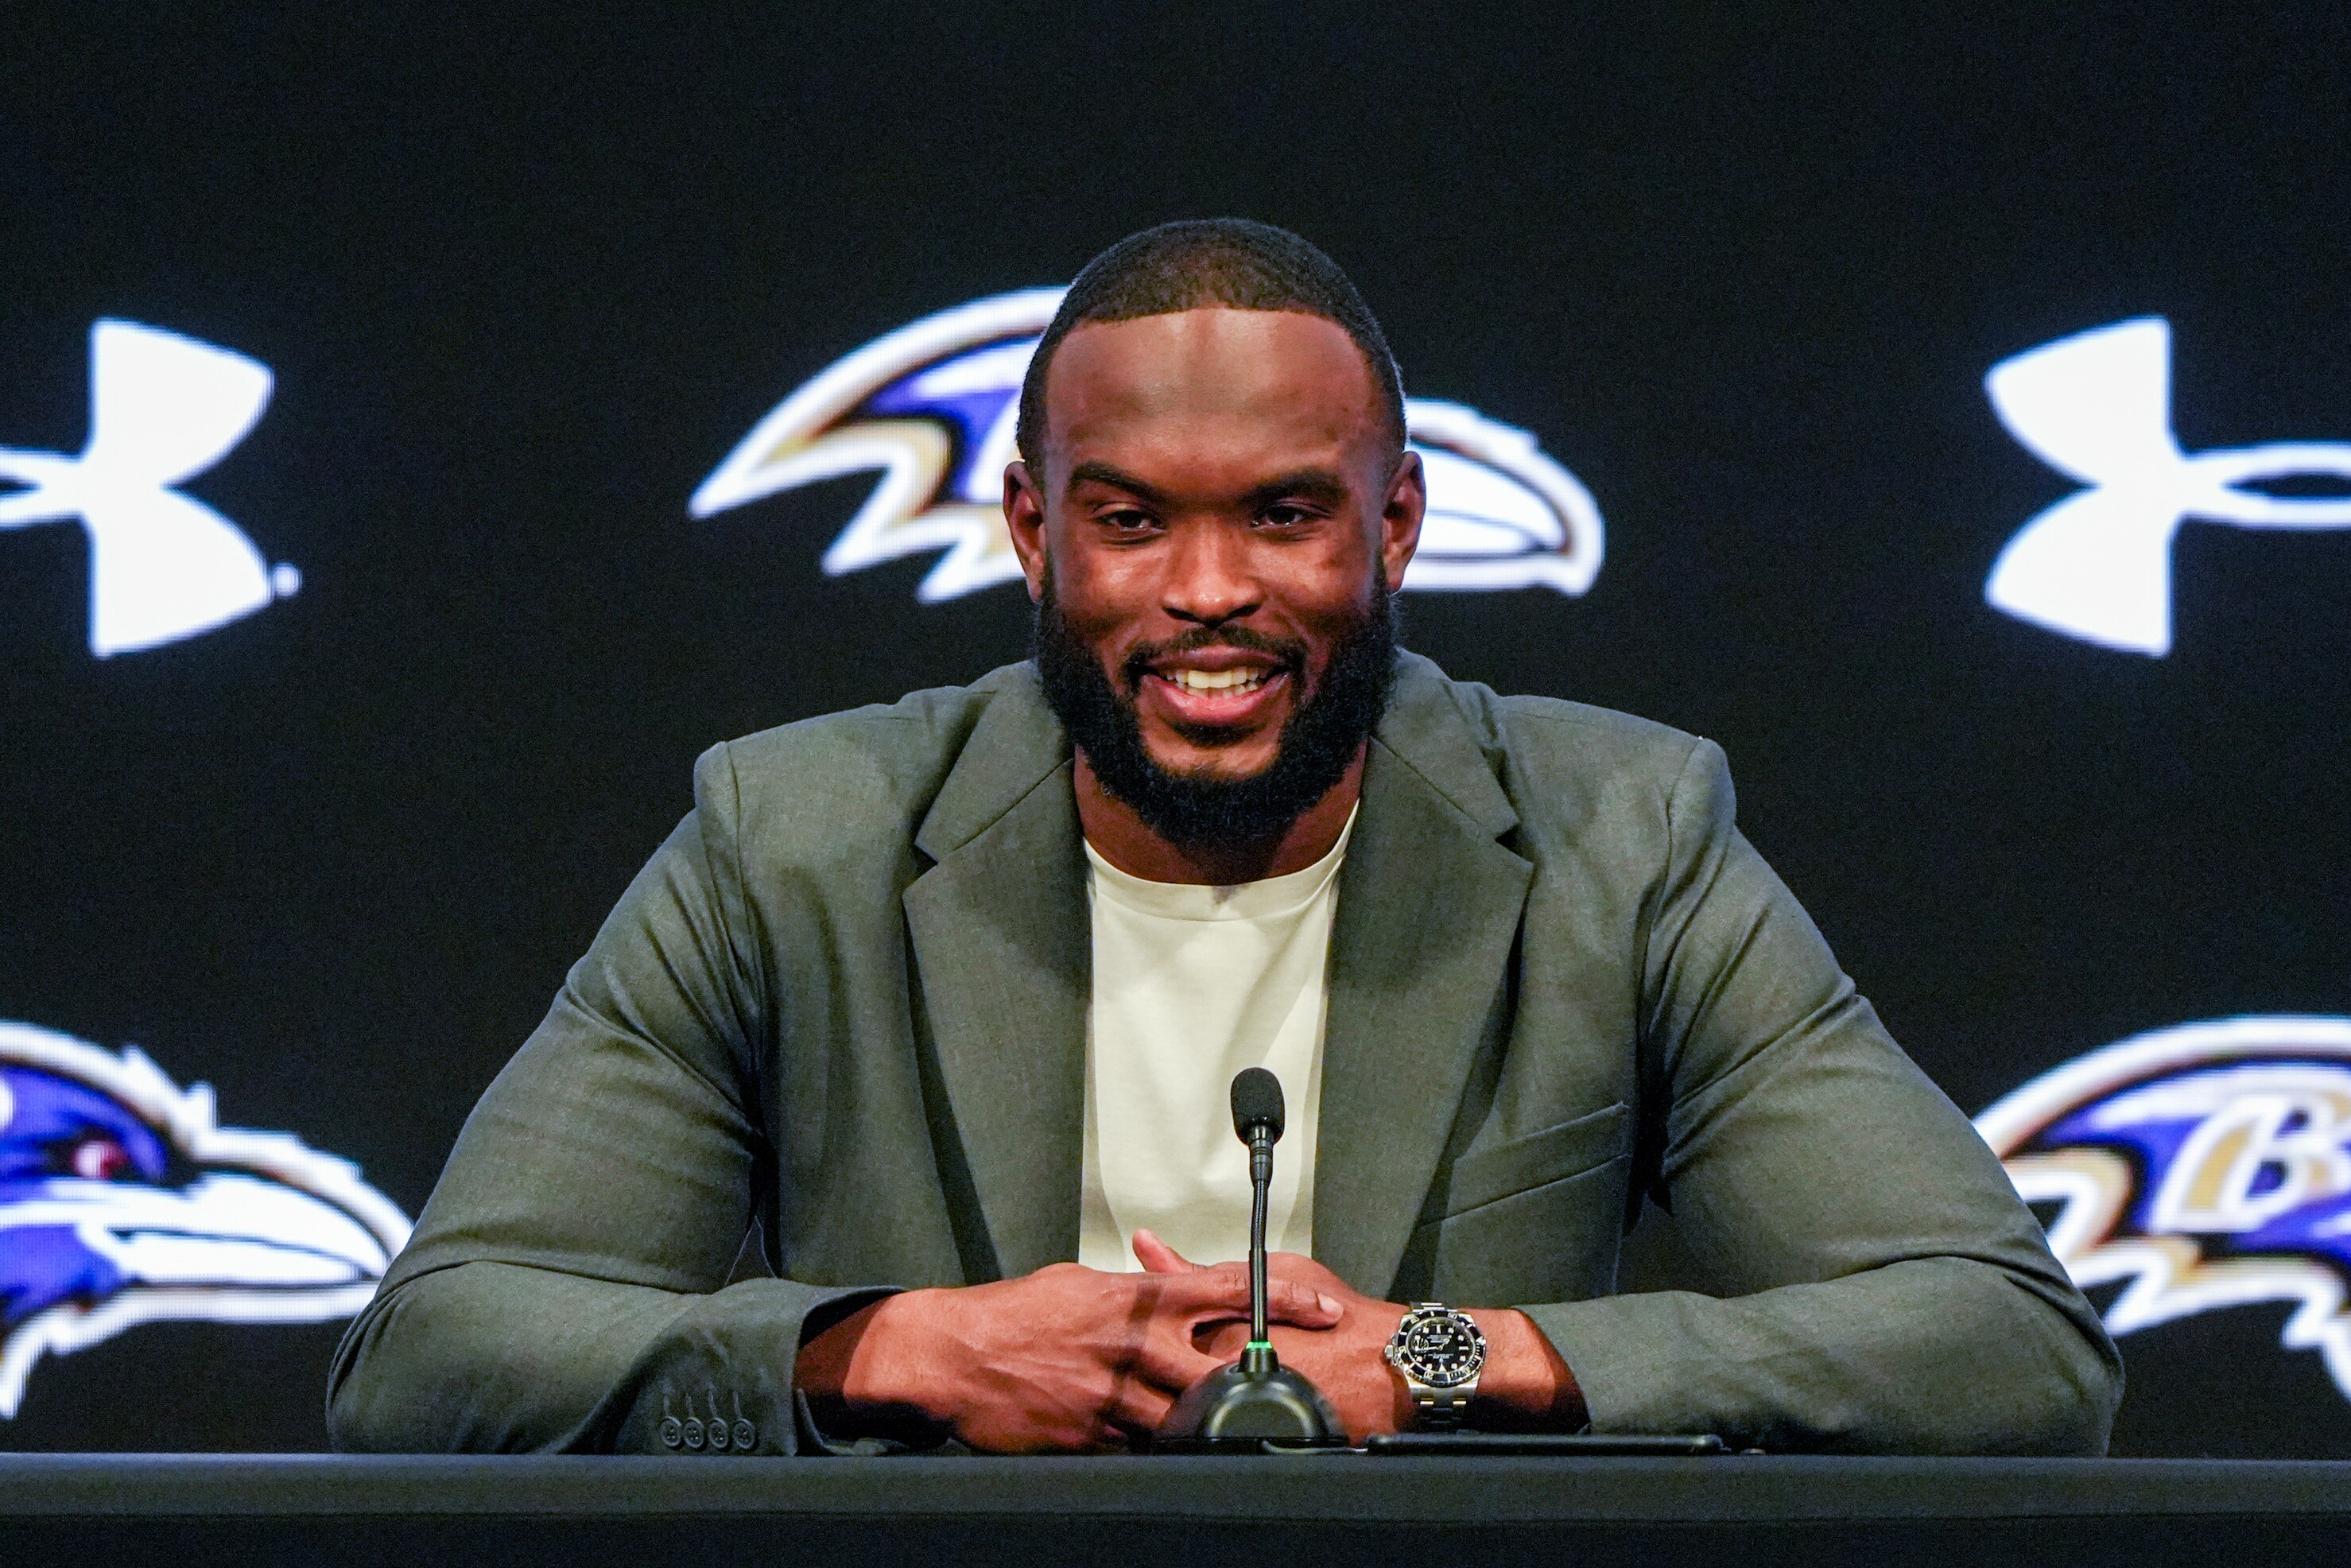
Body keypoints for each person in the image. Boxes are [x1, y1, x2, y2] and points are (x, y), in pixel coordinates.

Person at [328, 220, 2121, 1457]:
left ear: (1395, 526)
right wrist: (899, 1348)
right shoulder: (789, 842)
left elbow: (2000, 1341)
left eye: (1282, 516)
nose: (1207, 594)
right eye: (1130, 520)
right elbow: (439, 1344)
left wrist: (1443, 1353)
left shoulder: (1621, 839)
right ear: (1033, 528)